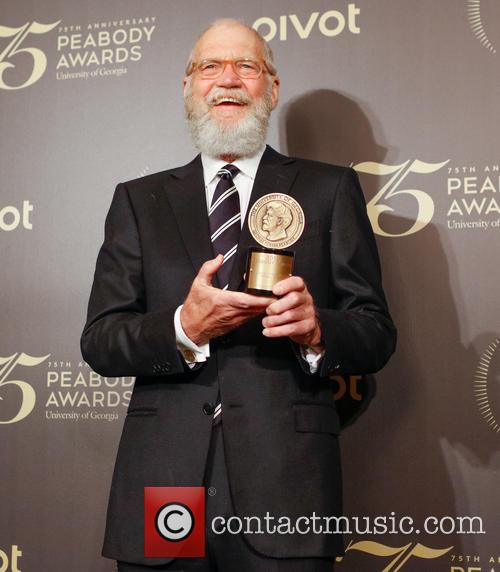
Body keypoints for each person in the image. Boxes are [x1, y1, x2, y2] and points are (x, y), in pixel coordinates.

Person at [81, 18, 396, 572]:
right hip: (166, 482)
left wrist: (318, 328)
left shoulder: (330, 189)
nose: (228, 79)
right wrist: (183, 327)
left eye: (246, 66)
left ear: (271, 88)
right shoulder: (138, 200)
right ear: (188, 87)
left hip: (288, 483)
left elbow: (374, 331)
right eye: (211, 66)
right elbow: (101, 340)